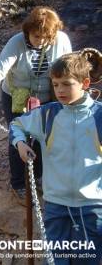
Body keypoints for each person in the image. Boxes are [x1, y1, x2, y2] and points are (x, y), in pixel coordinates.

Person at [10, 53, 102, 264]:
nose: (60, 90)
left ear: (85, 83)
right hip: (55, 204)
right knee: (55, 260)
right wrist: (20, 144)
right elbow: (17, 125)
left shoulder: (99, 116)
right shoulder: (46, 114)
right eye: (56, 84)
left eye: (67, 84)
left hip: (91, 207)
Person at [0, 6, 72, 205]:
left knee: (43, 139)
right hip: (16, 97)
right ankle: (19, 184)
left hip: (47, 99)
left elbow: (69, 68)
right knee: (18, 138)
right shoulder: (16, 43)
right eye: (37, 37)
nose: (41, 41)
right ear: (28, 31)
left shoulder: (61, 40)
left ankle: (37, 176)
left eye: (47, 37)